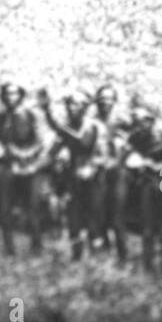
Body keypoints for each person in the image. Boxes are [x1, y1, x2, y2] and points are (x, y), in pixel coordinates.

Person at [38, 89, 105, 261]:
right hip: (75, 177)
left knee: (97, 215)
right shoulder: (69, 127)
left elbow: (97, 150)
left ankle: (105, 253)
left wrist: (93, 166)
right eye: (69, 104)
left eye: (76, 104)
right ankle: (78, 255)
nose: (72, 108)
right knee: (73, 214)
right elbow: (54, 150)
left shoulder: (93, 126)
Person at [124, 100, 162, 273]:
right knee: (148, 227)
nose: (139, 125)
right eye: (136, 122)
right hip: (148, 178)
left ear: (150, 120)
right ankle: (148, 267)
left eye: (143, 121)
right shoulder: (135, 136)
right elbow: (125, 157)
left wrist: (158, 167)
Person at [0, 84, 46, 257]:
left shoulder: (31, 114)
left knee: (33, 206)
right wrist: (5, 152)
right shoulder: (1, 117)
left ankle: (37, 245)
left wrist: (26, 157)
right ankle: (8, 247)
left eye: (14, 94)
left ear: (20, 95)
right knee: (4, 205)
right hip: (9, 165)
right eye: (7, 94)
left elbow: (40, 141)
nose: (10, 97)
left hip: (30, 165)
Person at [92, 85, 133, 262]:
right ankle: (106, 252)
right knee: (99, 211)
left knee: (118, 214)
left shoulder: (123, 120)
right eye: (102, 98)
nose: (105, 102)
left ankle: (124, 253)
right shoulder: (92, 120)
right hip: (102, 171)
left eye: (109, 98)